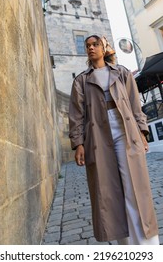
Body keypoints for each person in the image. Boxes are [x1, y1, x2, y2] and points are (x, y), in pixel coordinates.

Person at [68, 34, 159, 245]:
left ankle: (147, 247)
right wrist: (78, 143)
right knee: (108, 191)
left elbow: (136, 105)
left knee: (135, 186)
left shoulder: (122, 73)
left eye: (95, 44)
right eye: (88, 45)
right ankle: (125, 247)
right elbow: (76, 115)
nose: (91, 48)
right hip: (98, 135)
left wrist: (142, 132)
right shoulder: (81, 80)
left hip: (126, 129)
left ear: (104, 47)